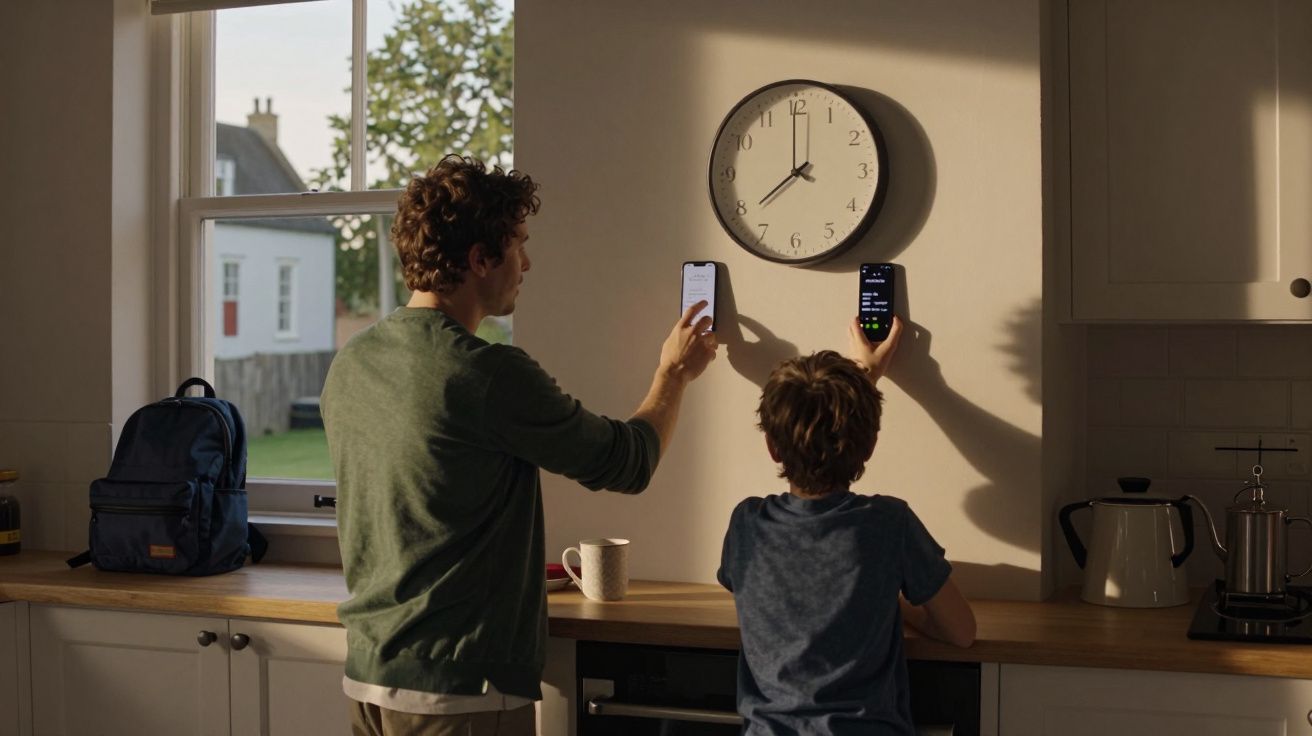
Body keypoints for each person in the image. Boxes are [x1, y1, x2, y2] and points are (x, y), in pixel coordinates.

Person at [321, 154, 718, 736]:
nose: (526, 263)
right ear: (480, 259)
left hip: (368, 676)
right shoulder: (488, 375)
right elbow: (628, 462)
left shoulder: (352, 362)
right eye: (518, 245)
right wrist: (673, 375)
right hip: (459, 692)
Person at [717, 316, 976, 735]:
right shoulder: (889, 524)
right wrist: (891, 605)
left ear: (771, 447)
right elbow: (961, 632)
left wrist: (862, 381)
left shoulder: (746, 524)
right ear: (871, 444)